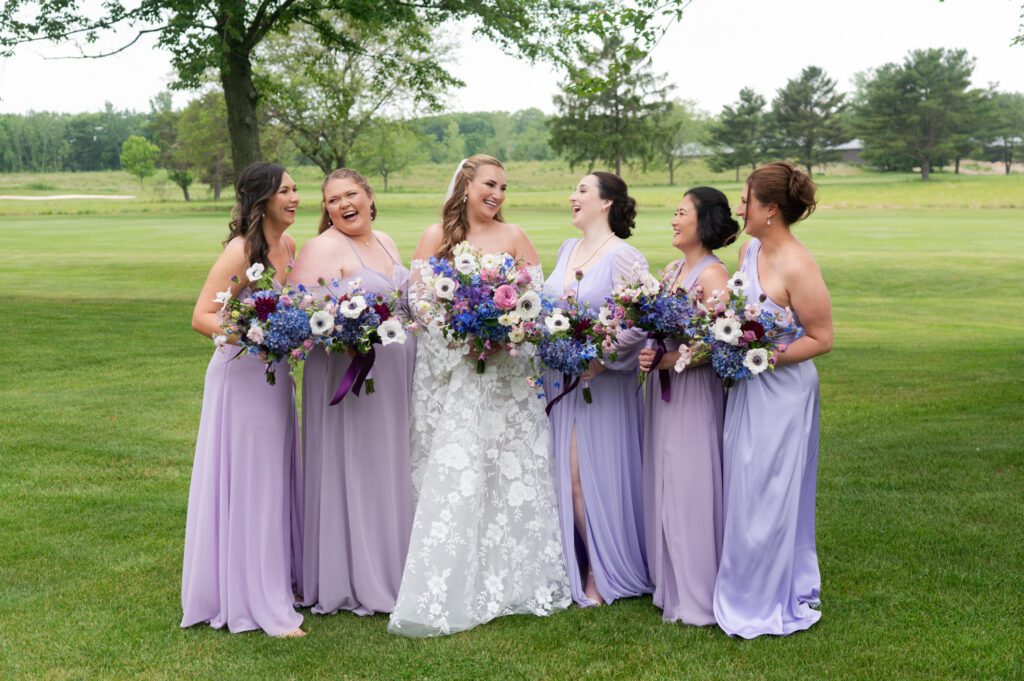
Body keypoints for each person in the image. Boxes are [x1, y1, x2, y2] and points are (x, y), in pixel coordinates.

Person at [389, 155, 570, 637]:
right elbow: (419, 300)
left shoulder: (514, 236)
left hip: (506, 372)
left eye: (504, 188)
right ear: (466, 185)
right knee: (461, 467)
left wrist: (509, 329)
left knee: (508, 464)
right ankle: (454, 577)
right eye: (490, 184)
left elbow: (537, 299)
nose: (498, 194)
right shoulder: (436, 236)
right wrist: (460, 335)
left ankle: (515, 579)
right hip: (457, 369)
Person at [181, 162, 304, 638]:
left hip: (275, 377)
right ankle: (253, 598)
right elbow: (202, 316)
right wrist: (258, 335)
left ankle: (274, 579)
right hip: (241, 376)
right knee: (251, 480)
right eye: (284, 191)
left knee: (272, 477)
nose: (294, 198)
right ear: (262, 200)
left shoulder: (288, 246)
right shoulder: (241, 251)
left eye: (296, 190)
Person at [713, 161, 834, 638]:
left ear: (770, 210)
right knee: (743, 483)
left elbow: (822, 338)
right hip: (748, 387)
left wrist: (762, 356)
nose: (739, 207)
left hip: (784, 391)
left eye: (746, 201)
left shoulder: (798, 264)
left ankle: (768, 593)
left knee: (771, 488)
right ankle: (740, 582)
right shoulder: (750, 250)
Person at [289, 169, 415, 616]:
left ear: (369, 196)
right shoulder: (321, 248)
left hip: (392, 376)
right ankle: (351, 574)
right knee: (357, 464)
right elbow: (300, 315)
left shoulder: (386, 240)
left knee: (387, 464)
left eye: (350, 194)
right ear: (326, 210)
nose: (343, 204)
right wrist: (345, 333)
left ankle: (392, 563)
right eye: (332, 200)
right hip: (349, 379)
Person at [542, 172, 652, 606]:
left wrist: (600, 358)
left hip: (599, 385)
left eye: (582, 190)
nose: (573, 196)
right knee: (565, 477)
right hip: (560, 379)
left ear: (606, 202)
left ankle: (601, 573)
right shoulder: (566, 248)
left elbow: (641, 320)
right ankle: (577, 560)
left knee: (583, 479)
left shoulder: (624, 256)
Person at [638, 187, 737, 624]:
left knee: (689, 482)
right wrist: (650, 351)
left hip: (693, 392)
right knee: (665, 479)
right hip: (665, 393)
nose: (674, 220)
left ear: (703, 221)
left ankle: (696, 593)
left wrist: (669, 359)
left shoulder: (713, 275)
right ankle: (670, 585)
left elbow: (720, 343)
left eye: (681, 213)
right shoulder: (674, 270)